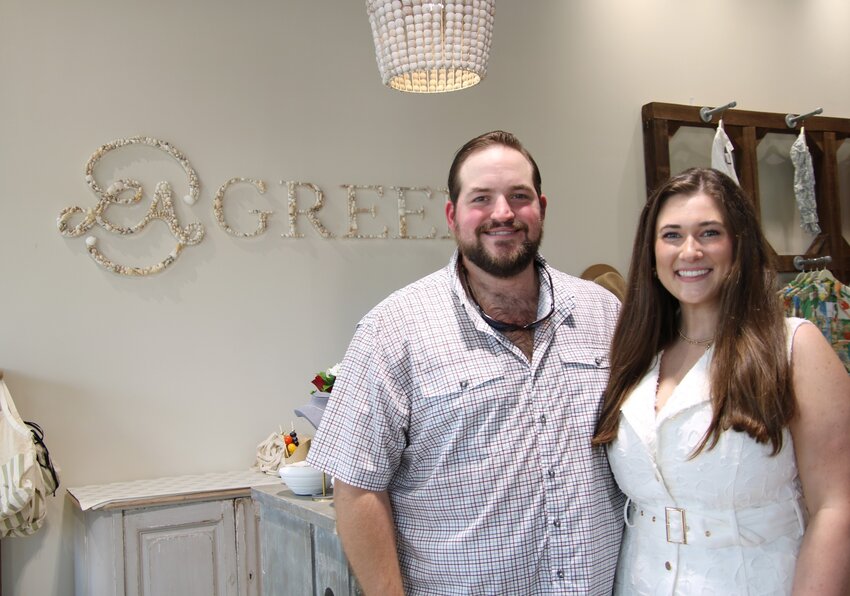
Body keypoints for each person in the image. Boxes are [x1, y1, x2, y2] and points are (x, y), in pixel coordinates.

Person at [307, 131, 624, 595]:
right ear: (453, 216)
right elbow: (356, 488)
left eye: (520, 196)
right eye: (482, 198)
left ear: (542, 207)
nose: (503, 213)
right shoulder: (392, 330)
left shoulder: (604, 313)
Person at [593, 167, 850, 595]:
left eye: (709, 233)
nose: (689, 251)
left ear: (738, 244)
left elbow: (836, 505)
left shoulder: (794, 346)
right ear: (651, 252)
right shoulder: (635, 354)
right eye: (671, 235)